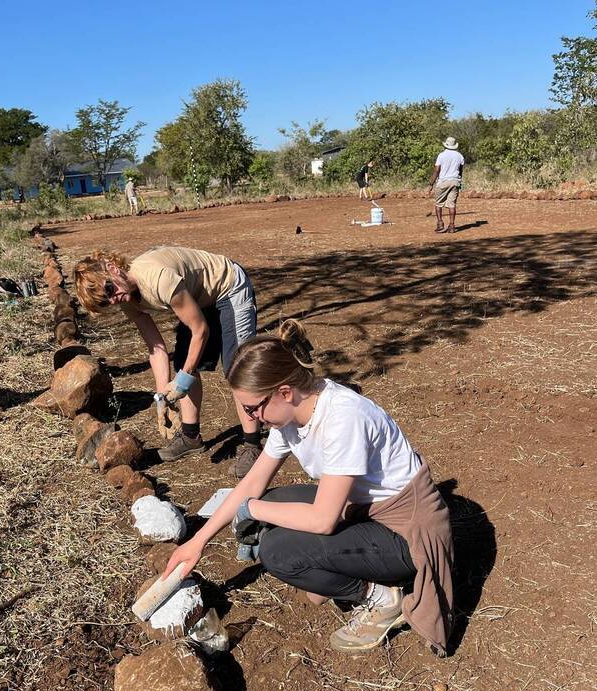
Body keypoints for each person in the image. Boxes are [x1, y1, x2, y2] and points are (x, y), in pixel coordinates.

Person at [163, 320, 455, 656]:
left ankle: (380, 599)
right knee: (272, 503)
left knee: (277, 550)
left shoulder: (342, 418)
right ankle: (344, 570)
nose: (251, 418)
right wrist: (197, 542)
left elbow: (323, 521)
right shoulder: (293, 415)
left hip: (406, 534)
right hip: (366, 511)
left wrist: (251, 510)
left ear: (285, 392)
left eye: (252, 408)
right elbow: (253, 482)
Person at [73, 246, 261, 478]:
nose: (114, 299)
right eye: (106, 302)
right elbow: (156, 348)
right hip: (199, 298)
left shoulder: (157, 278)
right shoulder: (126, 299)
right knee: (183, 361)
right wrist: (162, 398)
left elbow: (200, 330)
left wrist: (182, 380)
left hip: (227, 286)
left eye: (109, 289)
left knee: (238, 369)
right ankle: (190, 437)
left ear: (113, 269)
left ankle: (253, 444)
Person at [429, 137, 464, 233]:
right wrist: (459, 182)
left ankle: (440, 224)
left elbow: (437, 170)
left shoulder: (441, 155)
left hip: (443, 182)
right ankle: (452, 226)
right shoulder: (460, 156)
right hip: (455, 181)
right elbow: (460, 171)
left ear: (446, 145)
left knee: (438, 203)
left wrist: (431, 183)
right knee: (452, 205)